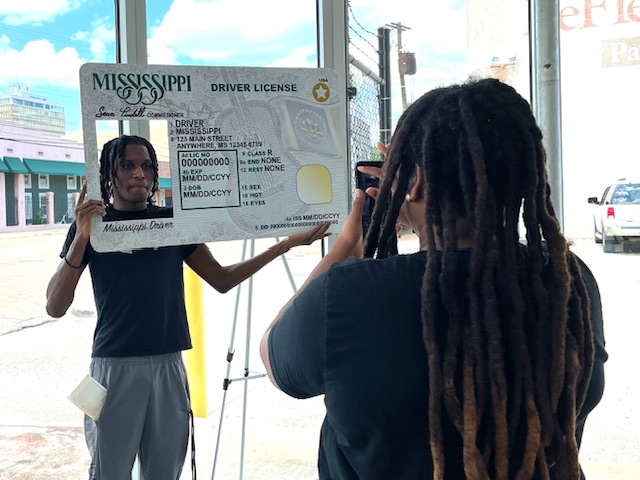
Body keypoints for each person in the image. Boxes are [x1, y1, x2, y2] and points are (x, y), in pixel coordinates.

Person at [260, 78, 607, 479]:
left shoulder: (347, 296)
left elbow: (274, 358)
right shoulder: (567, 280)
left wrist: (348, 246)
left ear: (417, 181)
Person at [45, 134, 330, 480]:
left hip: (168, 365)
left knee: (166, 471)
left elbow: (221, 279)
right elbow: (55, 306)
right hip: (113, 365)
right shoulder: (91, 227)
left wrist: (283, 245)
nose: (139, 173)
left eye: (146, 166)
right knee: (109, 472)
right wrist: (81, 238)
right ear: (109, 174)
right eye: (127, 165)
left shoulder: (173, 223)